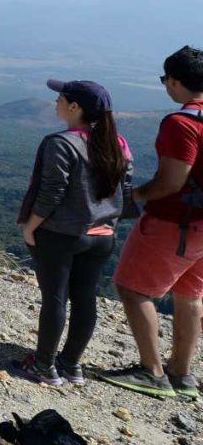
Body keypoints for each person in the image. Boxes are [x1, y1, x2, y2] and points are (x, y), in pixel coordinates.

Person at [14, 79, 132, 387]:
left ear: (75, 107)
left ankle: (43, 366)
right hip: (103, 235)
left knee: (55, 298)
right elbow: (126, 190)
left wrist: (31, 226)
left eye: (60, 98)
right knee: (85, 299)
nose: (56, 103)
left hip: (63, 234)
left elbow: (52, 191)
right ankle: (71, 364)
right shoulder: (117, 143)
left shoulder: (61, 143)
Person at [101, 46, 203, 399]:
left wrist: (135, 196)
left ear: (175, 81)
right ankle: (182, 374)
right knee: (189, 294)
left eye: (166, 80)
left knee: (133, 288)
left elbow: (172, 181)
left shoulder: (181, 123)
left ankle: (151, 371)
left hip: (175, 222)